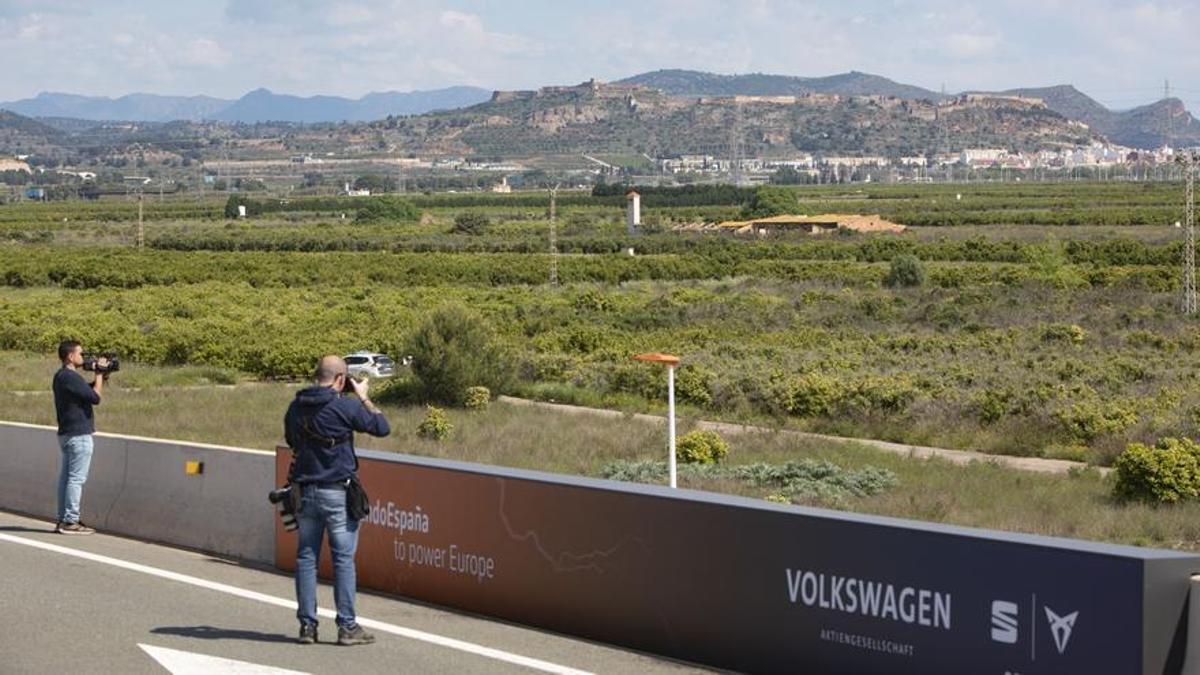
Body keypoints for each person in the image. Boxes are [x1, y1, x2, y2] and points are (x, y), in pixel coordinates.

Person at [284, 355, 390, 646]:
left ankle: (307, 627)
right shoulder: (345, 406)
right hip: (337, 493)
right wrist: (365, 398)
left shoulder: (295, 407)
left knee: (306, 558)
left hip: (305, 491)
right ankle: (347, 627)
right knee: (343, 560)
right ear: (341, 380)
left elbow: (292, 440)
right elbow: (382, 427)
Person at [52, 340, 107, 535]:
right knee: (76, 479)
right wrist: (99, 373)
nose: (83, 357)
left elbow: (85, 391)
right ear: (70, 356)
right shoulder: (70, 376)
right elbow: (95, 398)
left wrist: (101, 376)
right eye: (80, 354)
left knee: (66, 479)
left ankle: (63, 518)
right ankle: (71, 520)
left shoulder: (61, 376)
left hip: (66, 434)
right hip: (79, 435)